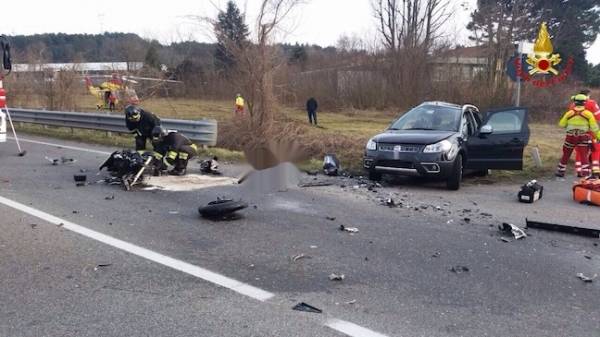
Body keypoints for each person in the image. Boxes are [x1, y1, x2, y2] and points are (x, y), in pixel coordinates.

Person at [556, 94, 600, 177]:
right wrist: (598, 137)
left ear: (575, 103)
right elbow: (595, 128)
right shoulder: (588, 114)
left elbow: (561, 124)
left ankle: (560, 171)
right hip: (582, 137)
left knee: (566, 154)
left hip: (570, 137)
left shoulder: (569, 113)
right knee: (583, 155)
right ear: (584, 103)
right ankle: (586, 173)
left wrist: (570, 125)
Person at [569, 90, 600, 178]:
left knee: (580, 151)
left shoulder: (572, 105)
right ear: (587, 96)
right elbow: (598, 116)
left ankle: (579, 170)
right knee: (596, 149)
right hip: (591, 131)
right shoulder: (592, 103)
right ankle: (596, 170)